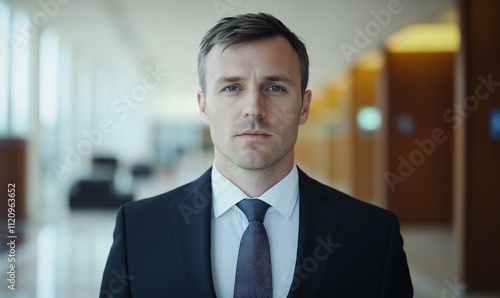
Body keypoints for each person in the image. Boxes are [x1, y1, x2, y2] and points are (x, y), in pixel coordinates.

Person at [100, 12, 413, 298]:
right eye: (232, 88)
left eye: (275, 88)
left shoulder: (372, 235)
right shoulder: (139, 229)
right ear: (204, 105)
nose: (254, 108)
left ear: (304, 106)